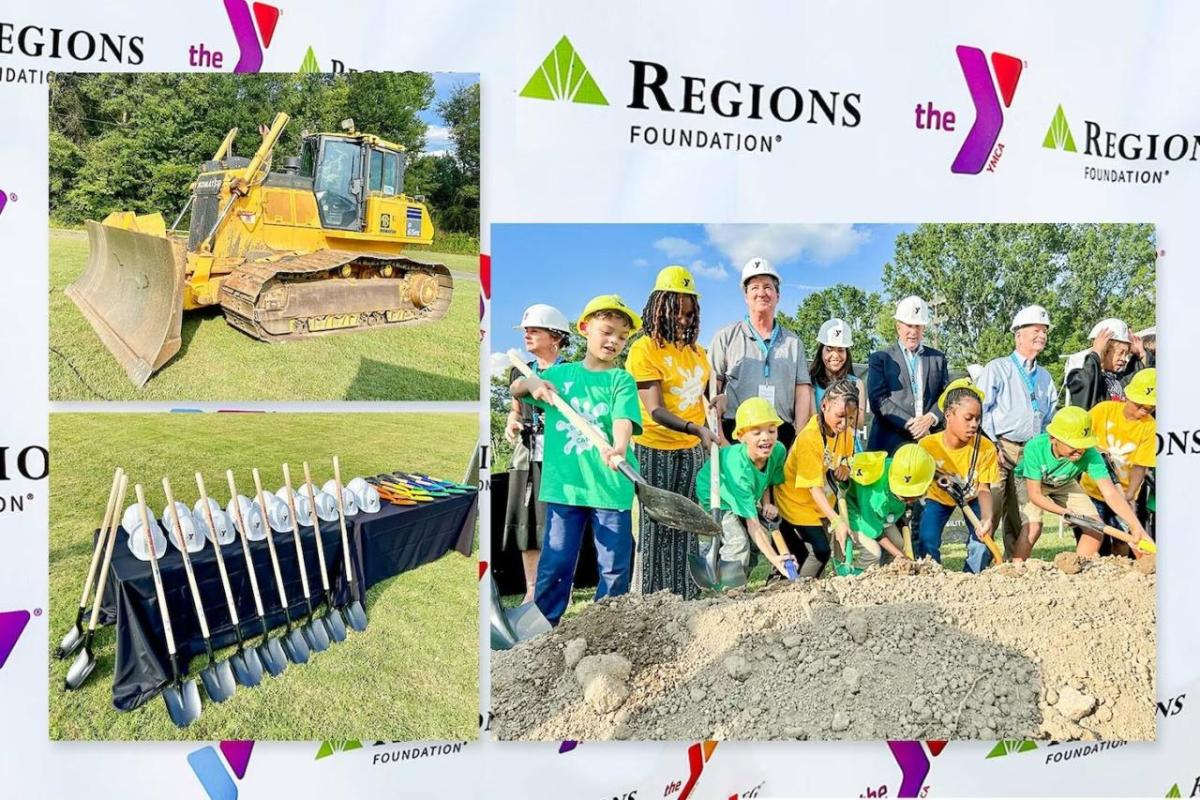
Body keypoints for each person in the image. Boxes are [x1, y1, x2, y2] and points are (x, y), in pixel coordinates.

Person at [510, 295, 644, 626]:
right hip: (565, 487)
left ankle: (607, 626)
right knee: (556, 561)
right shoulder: (562, 376)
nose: (614, 341)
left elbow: (622, 420)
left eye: (623, 337)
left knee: (614, 565)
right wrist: (533, 382)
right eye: (607, 331)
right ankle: (542, 627)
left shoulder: (620, 379)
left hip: (610, 487)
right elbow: (516, 388)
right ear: (585, 328)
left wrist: (620, 448)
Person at [625, 266, 714, 599]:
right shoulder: (644, 350)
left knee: (687, 525)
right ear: (658, 307)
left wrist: (711, 403)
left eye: (689, 313)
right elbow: (655, 410)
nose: (683, 320)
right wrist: (696, 428)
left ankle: (686, 597)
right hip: (653, 449)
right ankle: (653, 600)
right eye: (677, 312)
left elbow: (699, 394)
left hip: (690, 450)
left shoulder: (698, 353)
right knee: (657, 527)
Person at [1014, 406, 1152, 561]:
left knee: (1095, 526)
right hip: (1032, 482)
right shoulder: (1034, 448)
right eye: (1073, 445)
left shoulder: (1091, 454)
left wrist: (1136, 527)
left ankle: (1077, 569)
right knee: (1033, 528)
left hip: (1064, 481)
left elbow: (1110, 493)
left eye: (1084, 445)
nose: (1080, 451)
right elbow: (1035, 495)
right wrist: (1064, 512)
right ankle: (1016, 569)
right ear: (1053, 438)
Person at [977, 304, 1057, 561]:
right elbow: (981, 409)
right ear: (1018, 334)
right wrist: (991, 445)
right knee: (991, 510)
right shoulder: (998, 368)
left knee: (1023, 516)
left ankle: (1013, 571)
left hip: (1031, 452)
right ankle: (976, 570)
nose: (1042, 336)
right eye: (1036, 330)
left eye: (1044, 331)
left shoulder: (1045, 377)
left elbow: (1049, 418)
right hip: (1000, 446)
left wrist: (1042, 452)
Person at [503, 304, 571, 603]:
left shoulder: (571, 373)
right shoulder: (518, 369)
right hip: (527, 457)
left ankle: (560, 589)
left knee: (559, 525)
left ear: (555, 337)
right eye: (526, 331)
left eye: (534, 330)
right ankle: (531, 589)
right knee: (527, 526)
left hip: (561, 458)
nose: (527, 335)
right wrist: (513, 423)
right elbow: (515, 410)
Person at [710, 257, 813, 450]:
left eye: (768, 287)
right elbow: (711, 393)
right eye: (754, 287)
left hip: (781, 433)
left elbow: (802, 392)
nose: (761, 293)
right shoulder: (725, 337)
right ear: (746, 296)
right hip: (737, 433)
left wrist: (798, 438)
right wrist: (721, 440)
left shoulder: (793, 343)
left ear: (777, 296)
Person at [694, 397, 790, 579]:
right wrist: (776, 559)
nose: (766, 437)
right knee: (738, 541)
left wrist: (767, 502)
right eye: (756, 433)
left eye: (771, 430)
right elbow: (753, 524)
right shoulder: (739, 470)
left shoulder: (778, 451)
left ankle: (737, 576)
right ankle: (729, 590)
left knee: (755, 546)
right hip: (716, 492)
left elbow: (769, 479)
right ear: (740, 436)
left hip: (741, 493)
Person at [775, 379, 857, 578]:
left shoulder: (844, 433)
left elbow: (846, 457)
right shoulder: (810, 438)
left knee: (803, 554)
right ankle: (797, 592)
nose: (845, 423)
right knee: (820, 551)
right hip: (795, 503)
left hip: (816, 504)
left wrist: (845, 467)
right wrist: (836, 520)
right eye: (840, 416)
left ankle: (792, 587)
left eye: (851, 418)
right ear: (824, 406)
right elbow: (813, 488)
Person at [918, 378, 999, 572]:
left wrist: (987, 518)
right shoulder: (928, 446)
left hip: (972, 497)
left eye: (978, 419)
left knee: (981, 543)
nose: (974, 424)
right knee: (927, 539)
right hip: (938, 498)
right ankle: (932, 577)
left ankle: (971, 580)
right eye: (968, 418)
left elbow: (984, 488)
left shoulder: (986, 448)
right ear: (948, 415)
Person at [1080, 368, 1156, 557]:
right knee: (1094, 535)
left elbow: (1140, 465)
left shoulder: (1150, 427)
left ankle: (1120, 571)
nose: (1141, 411)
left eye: (1148, 409)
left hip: (1123, 492)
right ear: (1128, 396)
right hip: (1092, 489)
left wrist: (1130, 494)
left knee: (1124, 539)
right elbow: (1081, 437)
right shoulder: (1103, 410)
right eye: (1138, 405)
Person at [866, 295, 950, 454]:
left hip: (928, 443)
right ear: (898, 327)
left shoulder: (938, 358)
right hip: (889, 445)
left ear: (924, 328)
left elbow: (946, 395)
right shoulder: (880, 358)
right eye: (909, 325)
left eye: (918, 326)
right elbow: (878, 400)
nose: (913, 332)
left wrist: (931, 417)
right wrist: (912, 424)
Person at [843, 445, 935, 572]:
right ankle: (857, 581)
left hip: (881, 515)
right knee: (872, 553)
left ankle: (888, 574)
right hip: (856, 512)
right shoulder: (877, 496)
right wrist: (901, 556)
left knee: (898, 543)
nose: (911, 500)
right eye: (907, 497)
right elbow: (874, 530)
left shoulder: (903, 469)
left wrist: (899, 554)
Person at [1065, 319, 1146, 409]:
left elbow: (1139, 380)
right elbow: (1086, 386)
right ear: (1105, 350)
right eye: (1120, 353)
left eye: (1126, 354)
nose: (1124, 359)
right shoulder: (1077, 377)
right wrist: (1096, 353)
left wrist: (1141, 355)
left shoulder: (1119, 379)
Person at [809, 318, 867, 436]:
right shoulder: (810, 382)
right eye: (829, 349)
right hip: (819, 442)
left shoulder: (856, 383)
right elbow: (814, 419)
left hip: (849, 445)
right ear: (821, 351)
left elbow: (860, 422)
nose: (835, 355)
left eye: (841, 350)